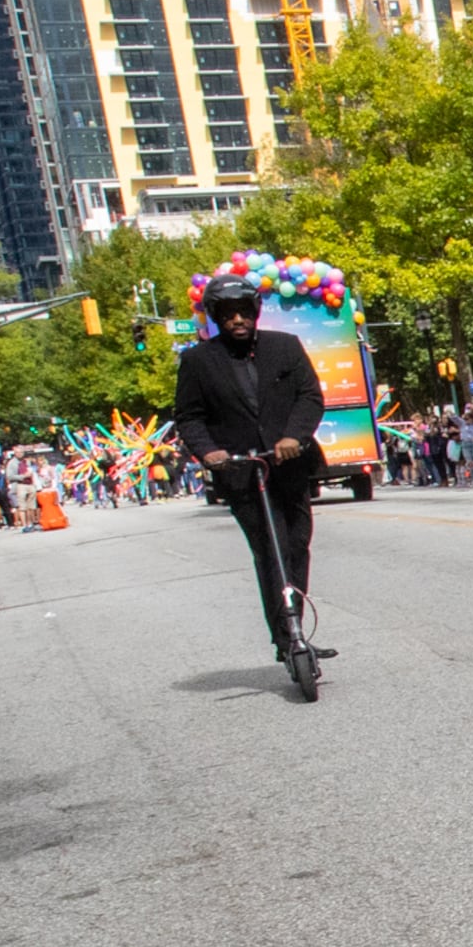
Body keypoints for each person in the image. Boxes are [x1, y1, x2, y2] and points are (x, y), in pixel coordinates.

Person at [171, 271, 333, 667]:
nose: (237, 321)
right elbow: (189, 417)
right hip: (242, 473)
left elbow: (310, 397)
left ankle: (295, 629)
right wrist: (209, 452)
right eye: (227, 315)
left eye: (243, 312)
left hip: (289, 465)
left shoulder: (285, 347)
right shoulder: (197, 361)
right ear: (215, 318)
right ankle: (287, 638)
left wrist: (295, 435)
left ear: (255, 312)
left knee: (296, 545)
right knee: (269, 550)